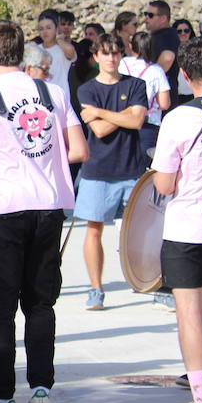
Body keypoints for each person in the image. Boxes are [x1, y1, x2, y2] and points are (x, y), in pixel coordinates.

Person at [0, 21, 87, 403]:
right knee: (40, 300)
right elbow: (79, 150)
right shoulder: (54, 92)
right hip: (48, 207)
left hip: (5, 207)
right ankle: (42, 390)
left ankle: (2, 399)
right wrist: (43, 170)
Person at [150, 36, 202, 403]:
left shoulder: (179, 118)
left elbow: (162, 184)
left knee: (190, 317)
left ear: (183, 75)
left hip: (189, 228)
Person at [74, 34, 148, 310]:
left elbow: (138, 120)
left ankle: (153, 282)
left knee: (141, 231)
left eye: (116, 53)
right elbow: (100, 130)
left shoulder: (136, 84)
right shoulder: (86, 90)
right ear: (96, 57)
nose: (111, 58)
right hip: (98, 170)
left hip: (132, 168)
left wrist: (101, 112)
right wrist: (125, 114)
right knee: (94, 230)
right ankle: (96, 288)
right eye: (105, 53)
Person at [122, 30, 170, 154]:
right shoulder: (156, 70)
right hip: (148, 123)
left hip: (121, 120)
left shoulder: (121, 64)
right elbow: (164, 104)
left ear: (131, 46)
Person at [35, 10, 75, 95]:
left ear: (56, 29)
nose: (45, 32)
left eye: (48, 28)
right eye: (41, 29)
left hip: (61, 95)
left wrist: (59, 39)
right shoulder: (36, 49)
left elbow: (71, 52)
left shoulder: (63, 48)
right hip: (42, 95)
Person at [144, 0, 180, 92]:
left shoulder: (166, 35)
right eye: (146, 14)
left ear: (163, 18)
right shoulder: (158, 35)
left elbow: (168, 57)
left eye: (151, 15)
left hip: (163, 94)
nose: (146, 18)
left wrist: (151, 78)